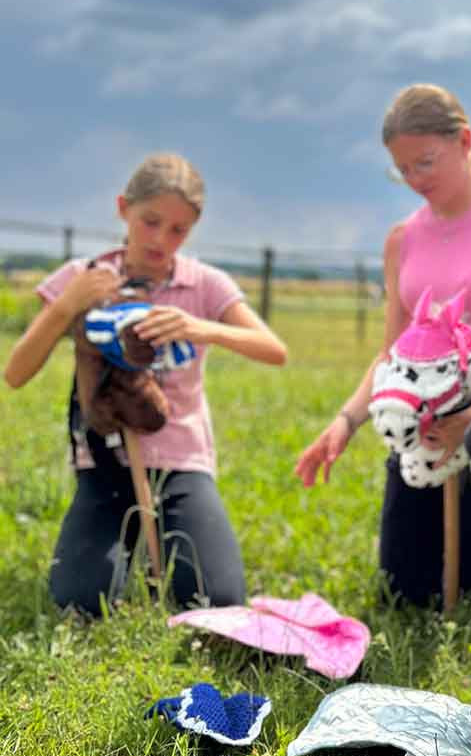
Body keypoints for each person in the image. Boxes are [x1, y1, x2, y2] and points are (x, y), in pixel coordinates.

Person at [295, 84, 471, 606]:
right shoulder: (401, 239)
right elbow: (390, 356)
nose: (415, 180)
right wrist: (345, 422)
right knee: (403, 594)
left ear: (465, 140)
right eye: (403, 169)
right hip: (419, 443)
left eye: (426, 162)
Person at [3, 153, 287, 616]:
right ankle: (120, 537)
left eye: (178, 230)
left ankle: (164, 531)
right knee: (80, 600)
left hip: (182, 461)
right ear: (123, 208)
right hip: (105, 457)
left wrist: (200, 327)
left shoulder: (203, 284)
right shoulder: (85, 277)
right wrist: (66, 306)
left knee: (216, 600)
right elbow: (15, 374)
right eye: (150, 221)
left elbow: (274, 349)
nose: (161, 239)